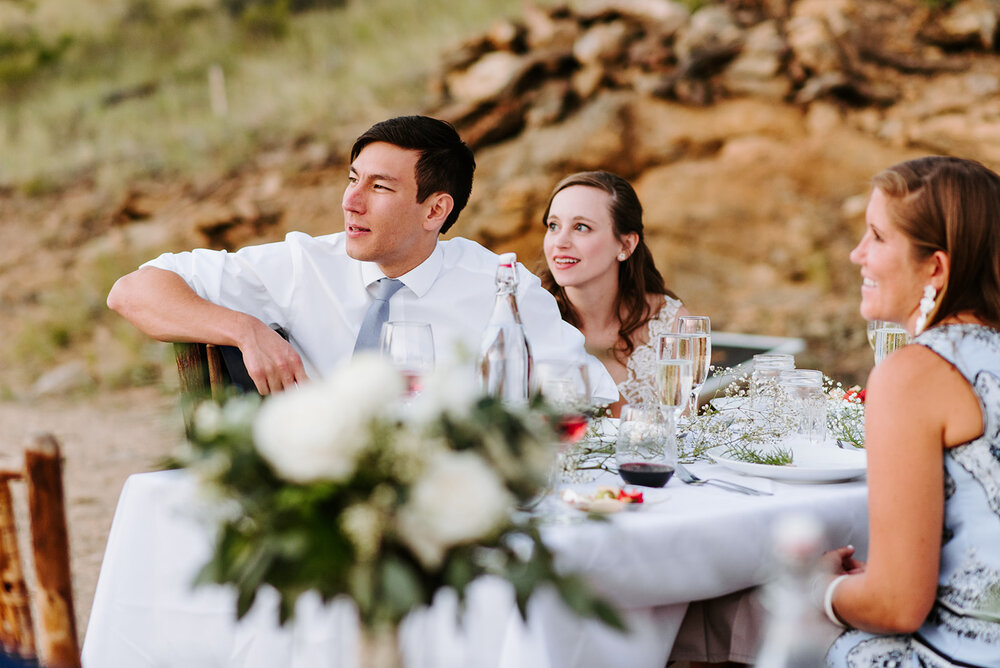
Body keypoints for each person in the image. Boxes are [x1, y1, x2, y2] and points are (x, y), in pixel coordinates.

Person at [107, 115, 616, 403]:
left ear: (435, 210)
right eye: (353, 179)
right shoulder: (304, 264)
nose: (351, 201)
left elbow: (589, 403)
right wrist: (244, 329)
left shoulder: (504, 287)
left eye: (380, 187)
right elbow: (132, 291)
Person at [821, 156, 1000, 667]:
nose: (857, 254)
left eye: (877, 237)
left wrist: (820, 588)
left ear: (935, 268)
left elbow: (896, 606)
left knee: (746, 613)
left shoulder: (916, 373)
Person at [538, 170, 690, 417]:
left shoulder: (669, 323)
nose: (560, 241)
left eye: (581, 227)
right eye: (553, 225)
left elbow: (685, 430)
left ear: (626, 245)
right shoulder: (530, 318)